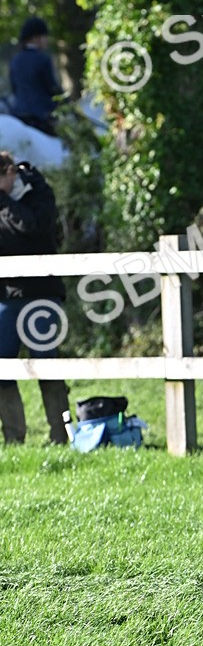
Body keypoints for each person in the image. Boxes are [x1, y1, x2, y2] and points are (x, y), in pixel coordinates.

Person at [0, 153, 69, 444]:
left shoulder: (39, 192)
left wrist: (3, 202)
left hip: (41, 296)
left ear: (10, 172)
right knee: (1, 369)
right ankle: (14, 439)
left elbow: (32, 228)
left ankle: (61, 436)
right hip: (6, 297)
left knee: (47, 366)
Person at [9, 16, 64, 137]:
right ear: (35, 38)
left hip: (19, 114)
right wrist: (65, 101)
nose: (46, 41)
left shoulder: (15, 61)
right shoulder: (43, 59)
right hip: (42, 117)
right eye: (45, 37)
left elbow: (14, 88)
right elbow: (52, 88)